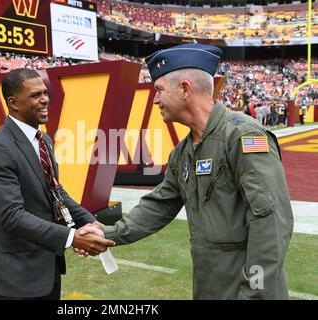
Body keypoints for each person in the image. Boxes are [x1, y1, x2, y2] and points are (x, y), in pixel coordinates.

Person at [81, 43, 294, 299]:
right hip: (209, 287)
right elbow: (159, 205)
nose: (155, 99)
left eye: (159, 90)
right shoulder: (182, 153)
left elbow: (271, 222)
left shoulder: (242, 136)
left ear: (185, 89)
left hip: (246, 291)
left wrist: (255, 292)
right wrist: (106, 233)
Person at [0, 68, 113, 300]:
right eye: (35, 95)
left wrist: (91, 221)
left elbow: (55, 190)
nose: (45, 100)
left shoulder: (44, 140)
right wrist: (72, 238)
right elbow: (11, 215)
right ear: (13, 103)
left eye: (45, 93)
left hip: (47, 264)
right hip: (16, 273)